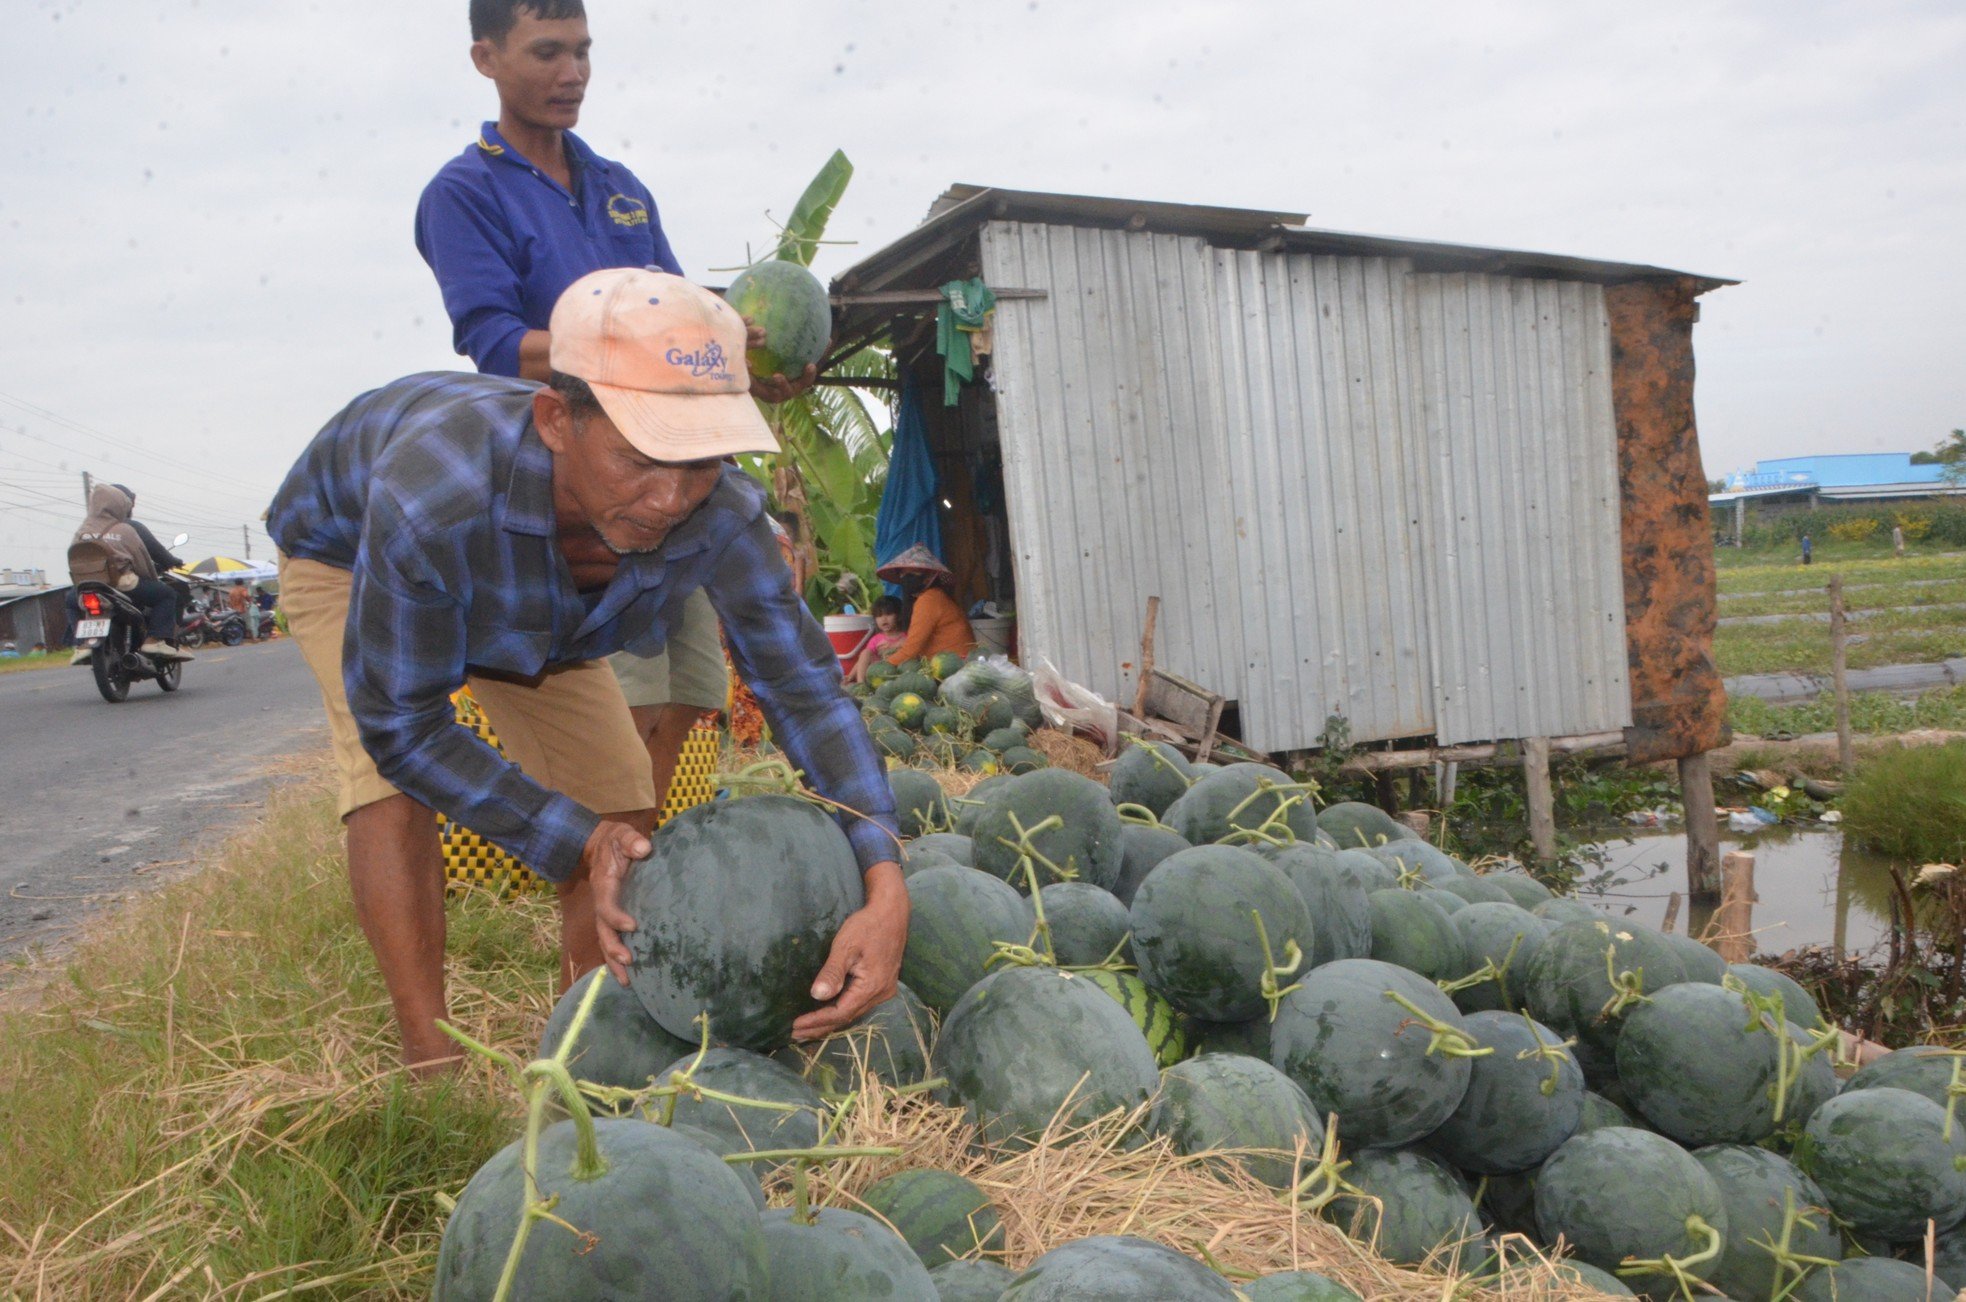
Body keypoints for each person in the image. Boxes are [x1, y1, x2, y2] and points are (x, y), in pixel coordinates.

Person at [265, 269, 905, 1073]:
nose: (672, 498)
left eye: (702, 462)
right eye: (642, 457)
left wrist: (883, 864)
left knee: (622, 814)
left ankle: (584, 1045)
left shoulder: (720, 513)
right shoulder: (436, 495)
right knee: (389, 782)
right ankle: (430, 1059)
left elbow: (806, 692)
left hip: (542, 612)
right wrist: (560, 833)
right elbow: (405, 724)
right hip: (352, 556)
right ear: (558, 420)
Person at [414, 0, 816, 816]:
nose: (573, 75)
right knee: (622, 699)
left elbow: (678, 315)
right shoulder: (463, 192)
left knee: (690, 692)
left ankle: (646, 860)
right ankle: (608, 872)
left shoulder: (621, 188)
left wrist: (739, 362)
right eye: (547, 53)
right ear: (485, 59)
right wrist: (622, 358)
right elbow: (496, 342)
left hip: (674, 470)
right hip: (584, 479)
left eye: (584, 53)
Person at [66, 484, 193, 665]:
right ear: (120, 504)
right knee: (166, 595)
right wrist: (152, 580)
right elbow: (142, 562)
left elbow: (73, 559)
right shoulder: (124, 529)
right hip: (122, 585)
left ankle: (81, 645)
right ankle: (154, 640)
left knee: (70, 603)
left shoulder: (81, 531)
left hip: (86, 586)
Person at [878, 545, 978, 665]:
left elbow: (910, 651)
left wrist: (881, 667)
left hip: (955, 665)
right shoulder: (934, 596)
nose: (906, 579)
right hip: (951, 662)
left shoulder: (929, 600)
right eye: (903, 575)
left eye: (912, 575)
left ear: (928, 577)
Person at [845, 596, 906, 684]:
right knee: (865, 653)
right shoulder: (876, 639)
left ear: (899, 616)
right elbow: (862, 660)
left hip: (898, 672)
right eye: (879, 616)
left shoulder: (904, 636)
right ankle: (861, 684)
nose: (884, 619)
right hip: (878, 673)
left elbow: (911, 648)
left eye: (888, 614)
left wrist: (897, 645)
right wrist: (851, 675)